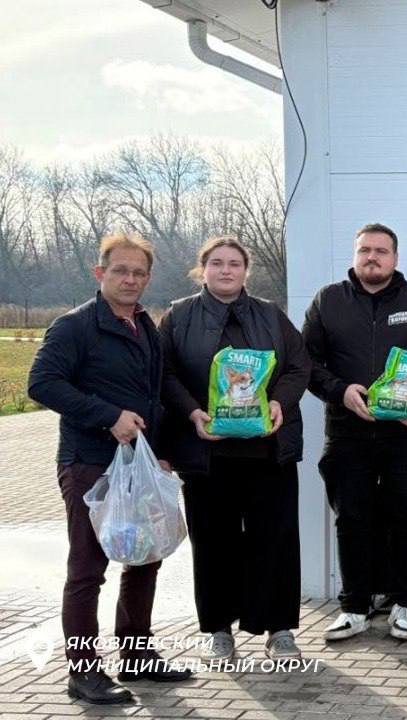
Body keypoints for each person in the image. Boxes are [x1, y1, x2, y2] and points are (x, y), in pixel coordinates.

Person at [28, 232, 192, 704]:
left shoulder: (147, 326)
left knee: (145, 557)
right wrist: (108, 417)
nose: (130, 279)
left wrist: (161, 452)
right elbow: (42, 383)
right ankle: (82, 673)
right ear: (100, 273)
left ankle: (137, 656)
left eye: (139, 272)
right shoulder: (74, 326)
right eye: (121, 270)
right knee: (88, 569)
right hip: (89, 464)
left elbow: (156, 395)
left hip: (140, 466)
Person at [156, 236, 311, 660]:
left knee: (275, 540)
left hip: (267, 451)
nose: (226, 270)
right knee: (212, 543)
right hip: (207, 453)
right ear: (202, 269)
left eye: (235, 263)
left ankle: (279, 630)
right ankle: (218, 630)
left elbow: (299, 365)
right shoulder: (179, 316)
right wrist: (191, 413)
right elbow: (164, 374)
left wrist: (279, 400)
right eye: (217, 263)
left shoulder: (270, 314)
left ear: (247, 270)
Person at [302, 223, 407, 642]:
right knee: (352, 519)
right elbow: (306, 363)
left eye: (381, 251)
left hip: (404, 435)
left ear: (395, 257)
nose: (373, 257)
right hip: (347, 432)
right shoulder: (328, 301)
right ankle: (354, 607)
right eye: (365, 250)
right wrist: (340, 391)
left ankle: (405, 604)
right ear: (355, 255)